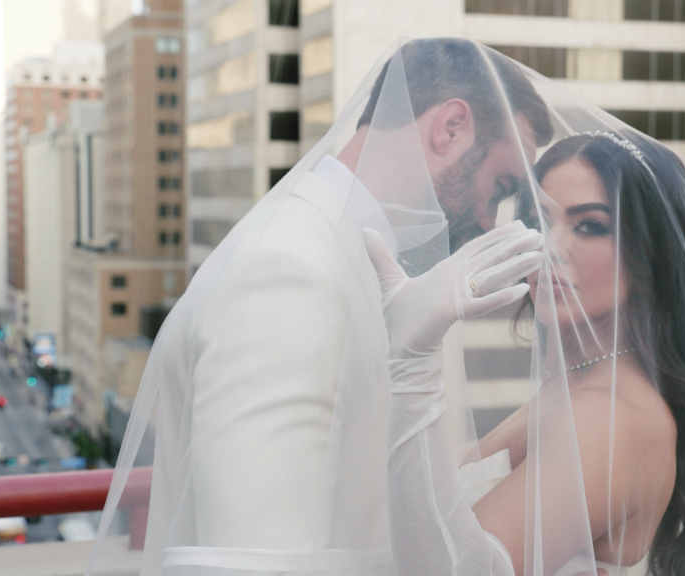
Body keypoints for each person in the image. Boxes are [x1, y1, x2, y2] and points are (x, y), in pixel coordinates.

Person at [86, 39, 552, 576]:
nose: (491, 220)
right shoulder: (290, 270)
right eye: (500, 186)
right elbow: (252, 563)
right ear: (450, 127)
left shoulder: (347, 257)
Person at [365, 129, 685, 575]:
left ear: (651, 254)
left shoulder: (612, 415)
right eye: (542, 220)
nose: (551, 248)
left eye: (590, 226)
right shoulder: (580, 380)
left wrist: (414, 366)